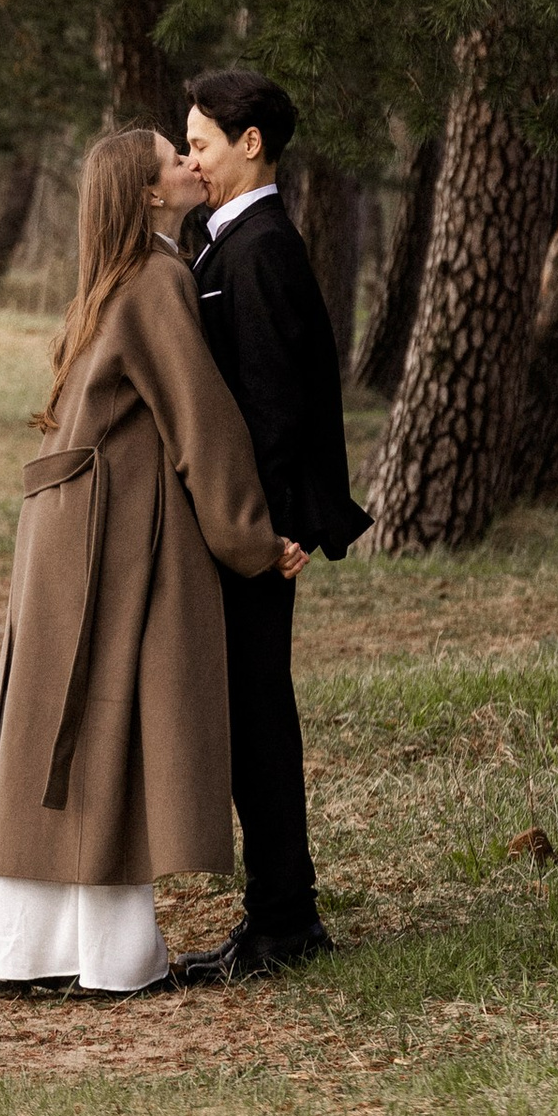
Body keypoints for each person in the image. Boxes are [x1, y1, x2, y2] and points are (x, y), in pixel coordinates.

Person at [0, 125, 296, 998]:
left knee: (60, 733)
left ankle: (23, 950)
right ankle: (111, 960)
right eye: (174, 159)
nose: (194, 163)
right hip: (109, 531)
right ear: (150, 193)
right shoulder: (156, 279)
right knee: (109, 725)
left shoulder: (116, 278)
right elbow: (204, 426)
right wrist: (255, 542)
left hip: (64, 524)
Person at [180, 66, 369, 978]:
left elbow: (282, 399)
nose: (192, 159)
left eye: (202, 144)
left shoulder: (261, 247)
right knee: (249, 718)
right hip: (241, 527)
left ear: (250, 143)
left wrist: (276, 526)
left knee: (259, 722)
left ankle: (284, 924)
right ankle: (277, 915)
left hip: (256, 537)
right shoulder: (222, 241)